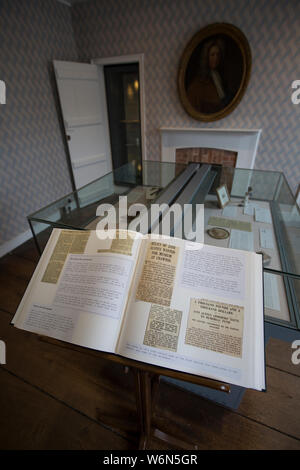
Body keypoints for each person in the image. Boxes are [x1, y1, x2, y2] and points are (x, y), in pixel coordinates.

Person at [187, 38, 232, 114]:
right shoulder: (199, 82)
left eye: (218, 54)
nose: (216, 58)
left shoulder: (220, 76)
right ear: (206, 57)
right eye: (212, 55)